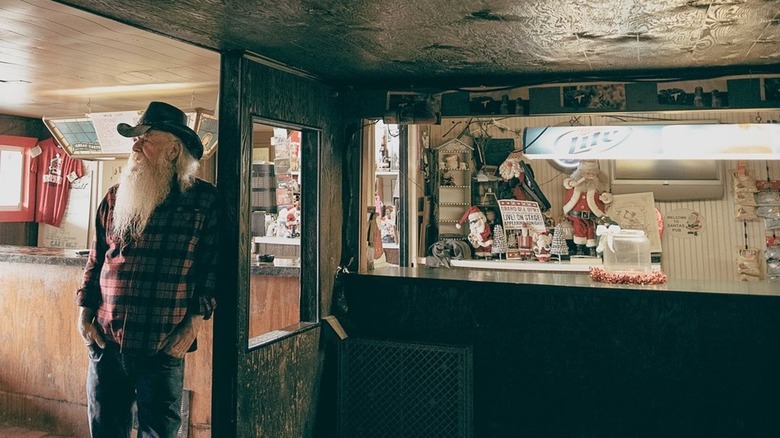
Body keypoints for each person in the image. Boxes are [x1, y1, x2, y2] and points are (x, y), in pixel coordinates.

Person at [76, 101, 222, 438]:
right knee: (105, 429)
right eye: (136, 139)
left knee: (159, 432)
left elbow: (212, 274)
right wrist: (83, 316)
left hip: (162, 342)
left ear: (173, 151)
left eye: (145, 139)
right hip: (105, 339)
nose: (135, 146)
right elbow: (96, 259)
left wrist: (190, 329)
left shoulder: (205, 202)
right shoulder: (114, 197)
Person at [561, 160, 612, 256]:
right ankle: (579, 248)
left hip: (592, 214)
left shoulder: (599, 185)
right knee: (579, 230)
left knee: (591, 231)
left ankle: (592, 248)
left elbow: (607, 194)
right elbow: (568, 183)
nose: (590, 176)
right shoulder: (576, 183)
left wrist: (605, 197)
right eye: (587, 173)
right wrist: (578, 181)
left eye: (593, 173)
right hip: (577, 214)